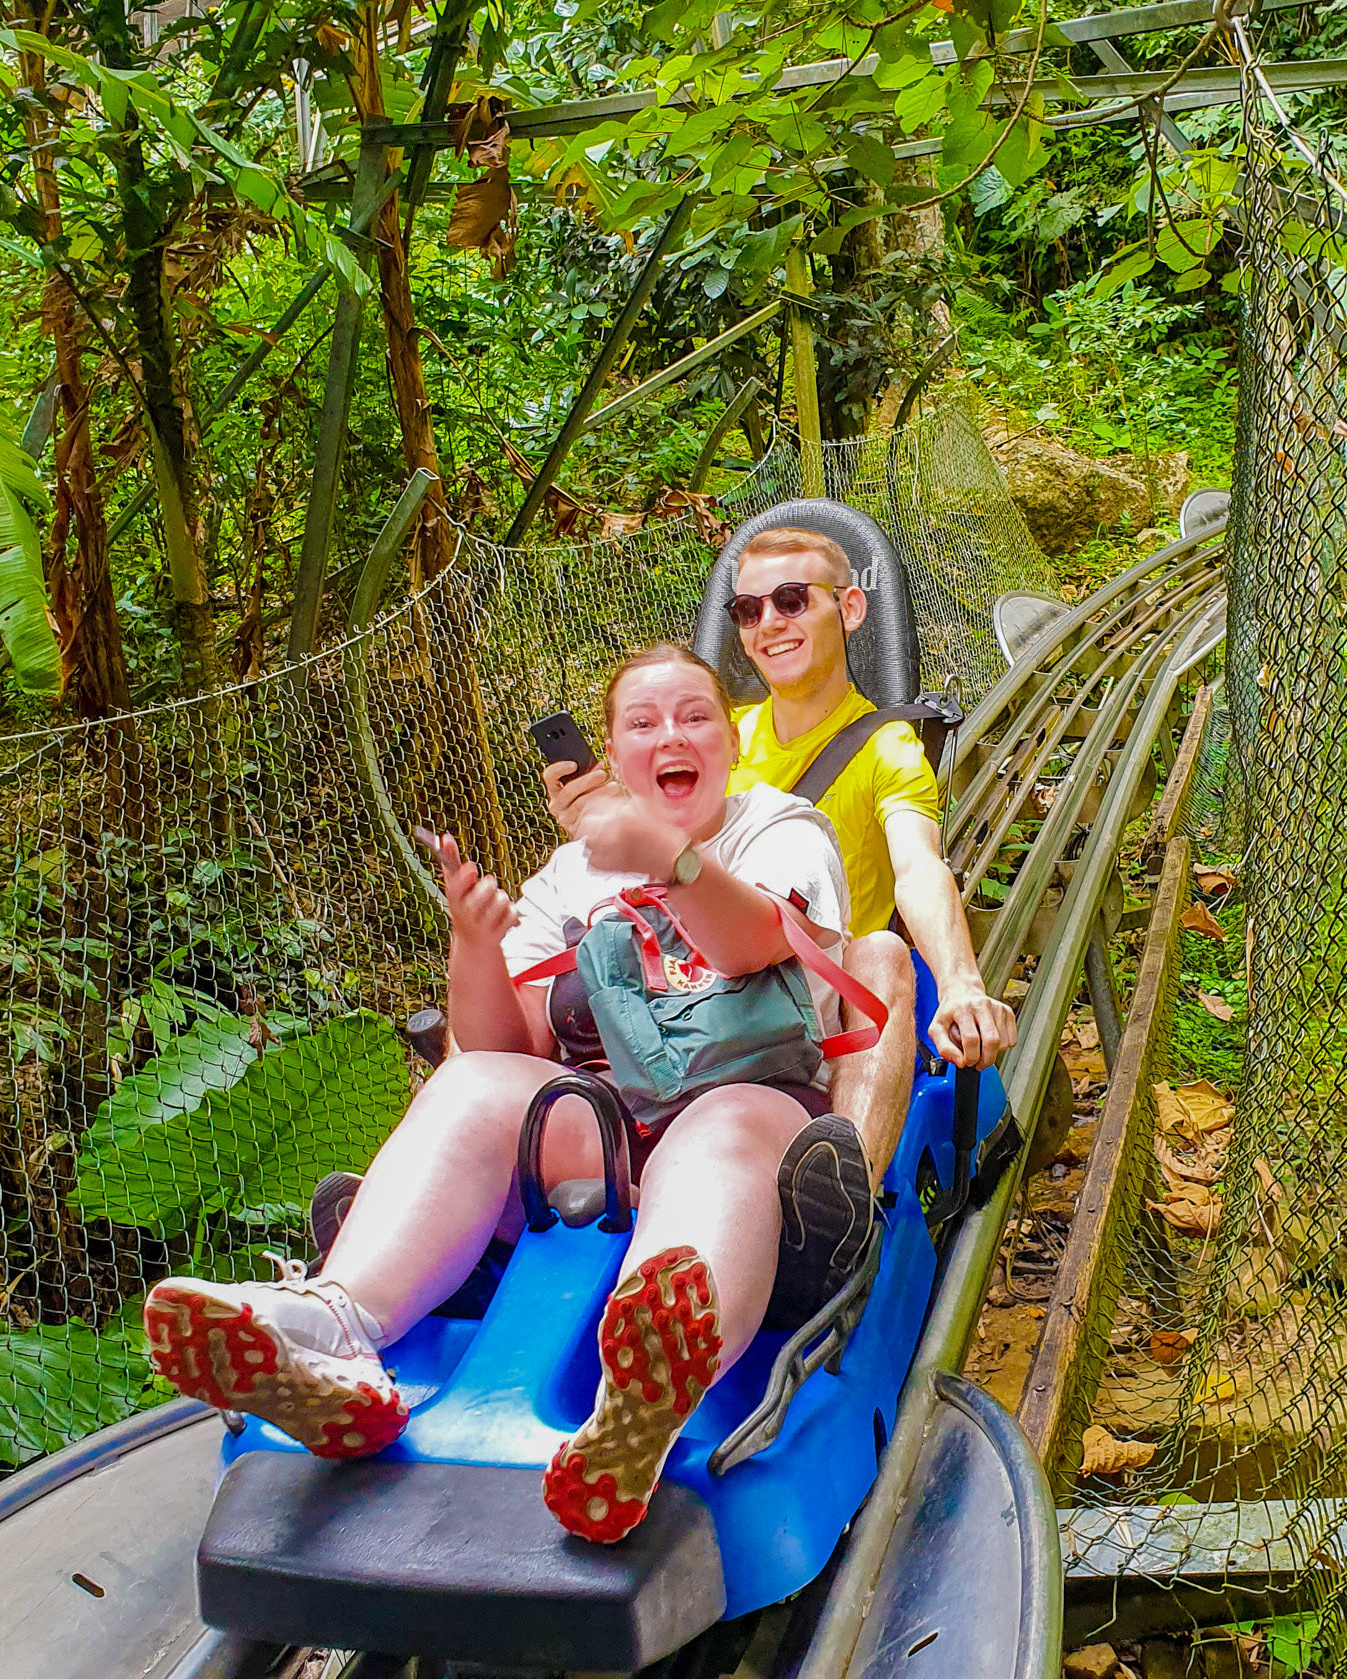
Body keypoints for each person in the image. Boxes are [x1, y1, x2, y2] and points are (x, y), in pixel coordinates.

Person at [143, 644, 859, 1545]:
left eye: (693, 716)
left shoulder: (778, 828)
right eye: (642, 723)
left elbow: (754, 945)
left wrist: (668, 861)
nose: (670, 735)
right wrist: (475, 942)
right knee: (473, 1083)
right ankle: (334, 1327)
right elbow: (498, 1047)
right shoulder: (569, 875)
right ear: (609, 752)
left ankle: (637, 1398)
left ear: (728, 739)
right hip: (599, 1131)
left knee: (717, 1132)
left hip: (744, 1107)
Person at [548, 524, 1016, 1297]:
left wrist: (961, 979)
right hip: (690, 991)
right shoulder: (711, 731)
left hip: (811, 999)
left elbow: (918, 866)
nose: (770, 623)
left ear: (850, 609)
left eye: (793, 600)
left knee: (878, 954)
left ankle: (834, 1207)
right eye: (747, 608)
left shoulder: (887, 749)